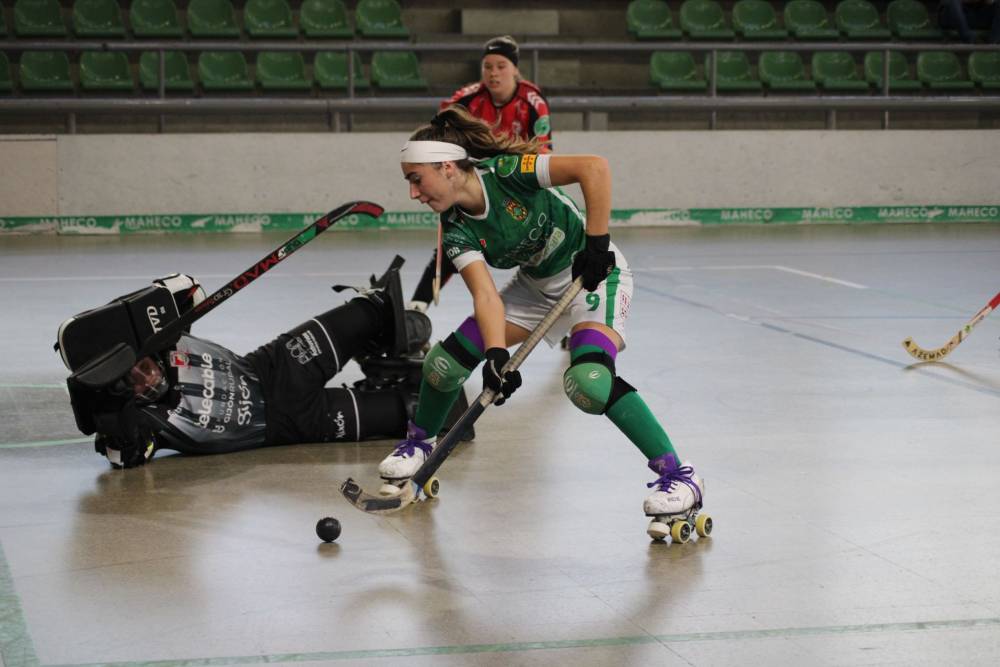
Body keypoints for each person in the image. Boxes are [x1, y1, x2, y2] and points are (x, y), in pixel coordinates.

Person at [378, 106, 707, 540]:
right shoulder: (455, 227)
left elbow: (594, 168)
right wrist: (496, 355)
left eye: (416, 179)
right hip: (534, 290)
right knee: (444, 363)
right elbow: (485, 296)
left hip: (594, 277)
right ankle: (421, 444)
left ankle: (680, 477)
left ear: (447, 167)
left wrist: (596, 245)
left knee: (589, 382)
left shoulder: (508, 173)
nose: (413, 193)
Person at [62, 261, 432, 469]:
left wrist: (140, 311)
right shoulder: (150, 423)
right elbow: (123, 457)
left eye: (144, 365)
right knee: (414, 412)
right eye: (135, 382)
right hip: (289, 424)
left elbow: (188, 288)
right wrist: (112, 414)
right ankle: (387, 391)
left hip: (274, 367)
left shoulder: (166, 338)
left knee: (374, 310)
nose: (148, 377)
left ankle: (383, 355)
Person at [410, 35, 554, 313]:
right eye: (488, 66)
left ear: (515, 69)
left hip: (515, 182)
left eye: (501, 66)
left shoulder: (532, 101)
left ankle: (557, 307)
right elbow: (438, 136)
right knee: (454, 240)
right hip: (475, 182)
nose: (493, 73)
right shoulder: (466, 99)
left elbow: (543, 151)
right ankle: (416, 308)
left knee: (539, 244)